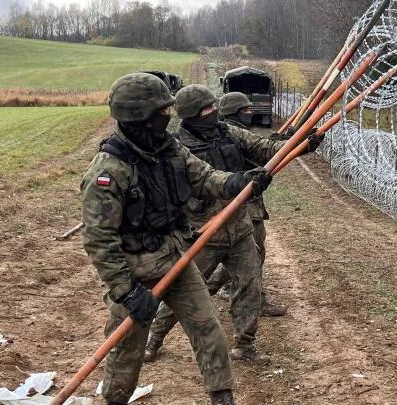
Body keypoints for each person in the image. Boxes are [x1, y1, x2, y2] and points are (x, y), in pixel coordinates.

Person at [81, 73, 273, 405]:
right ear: (139, 118)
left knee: (209, 332)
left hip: (177, 259)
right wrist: (126, 292)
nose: (168, 118)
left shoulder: (170, 149)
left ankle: (223, 398)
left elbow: (205, 177)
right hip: (135, 276)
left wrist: (238, 183)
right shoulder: (109, 171)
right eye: (161, 113)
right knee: (126, 353)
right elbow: (100, 241)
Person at [143, 85, 323, 363]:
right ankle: (154, 338)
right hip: (204, 231)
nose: (213, 112)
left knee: (249, 285)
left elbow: (265, 148)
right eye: (206, 110)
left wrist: (301, 145)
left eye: (214, 107)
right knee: (183, 289)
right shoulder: (176, 147)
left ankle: (245, 345)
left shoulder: (229, 132)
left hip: (239, 227)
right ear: (191, 115)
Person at [215, 92, 313, 317]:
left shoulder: (230, 132)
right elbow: (262, 155)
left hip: (238, 203)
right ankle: (253, 301)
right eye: (246, 110)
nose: (251, 113)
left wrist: (285, 139)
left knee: (241, 253)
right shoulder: (232, 133)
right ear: (235, 112)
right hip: (245, 204)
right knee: (253, 254)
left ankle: (224, 287)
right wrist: (300, 142)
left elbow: (264, 149)